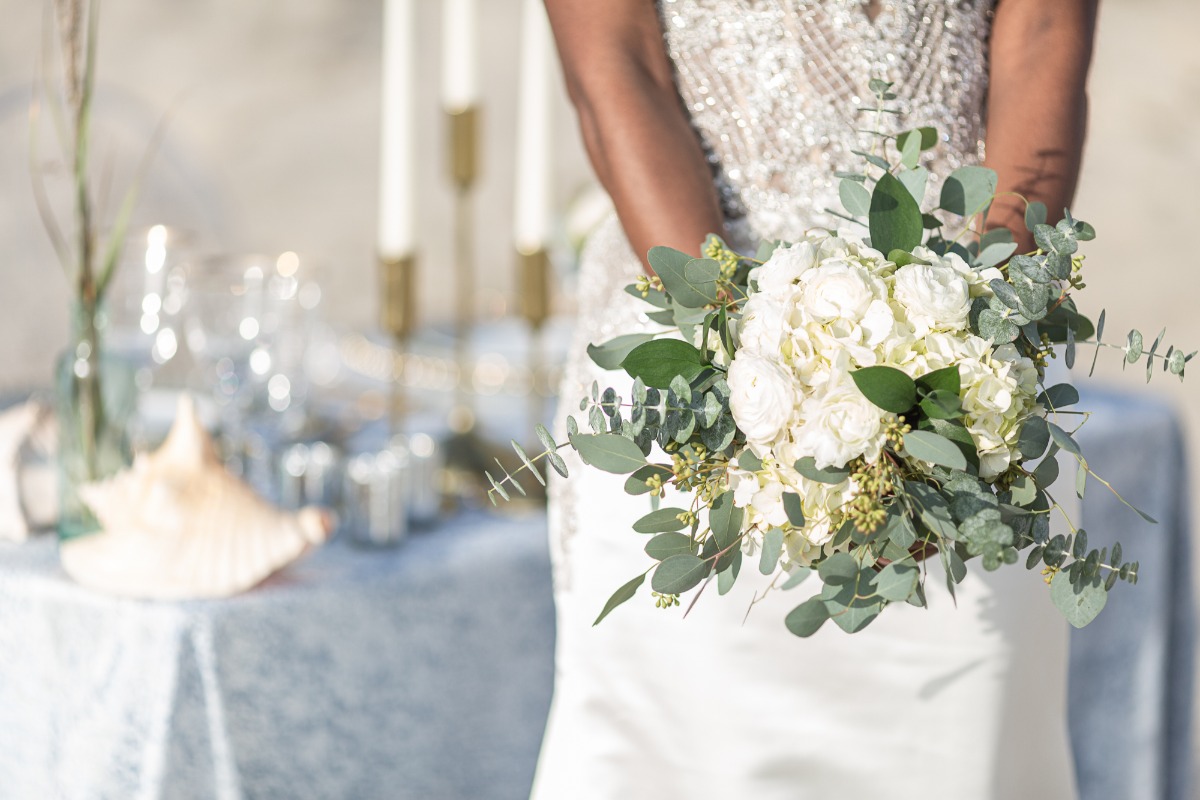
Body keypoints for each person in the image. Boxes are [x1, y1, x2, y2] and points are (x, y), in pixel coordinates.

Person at [532, 2, 1099, 798]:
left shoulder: (975, 358)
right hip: (699, 382)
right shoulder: (716, 358)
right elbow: (615, 65)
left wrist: (979, 337)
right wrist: (735, 356)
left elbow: (1043, 29)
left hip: (967, 378)